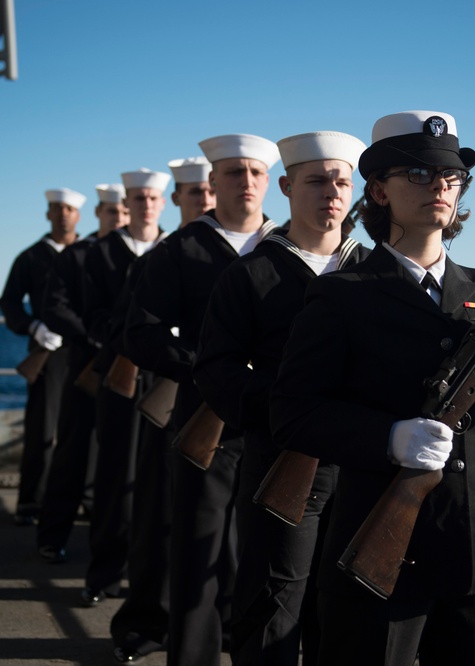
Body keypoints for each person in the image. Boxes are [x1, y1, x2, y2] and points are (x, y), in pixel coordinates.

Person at [269, 110, 475, 666]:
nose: (440, 188)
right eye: (419, 174)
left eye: (450, 177)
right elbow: (292, 413)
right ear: (378, 190)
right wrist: (388, 437)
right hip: (379, 548)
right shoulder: (342, 296)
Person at [194, 131, 368, 666]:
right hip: (282, 458)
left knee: (344, 611)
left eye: (342, 182)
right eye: (316, 181)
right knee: (273, 607)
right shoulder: (252, 274)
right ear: (288, 187)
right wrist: (289, 408)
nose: (332, 193)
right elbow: (216, 371)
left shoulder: (371, 273)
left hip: (361, 465)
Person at [123, 134, 280, 666]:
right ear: (211, 184)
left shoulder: (286, 247)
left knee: (265, 554)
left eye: (256, 173)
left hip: (272, 422)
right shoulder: (181, 249)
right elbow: (141, 333)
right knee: (197, 550)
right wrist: (210, 369)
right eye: (235, 173)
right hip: (204, 415)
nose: (247, 183)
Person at [109, 155, 215, 663]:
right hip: (170, 393)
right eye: (194, 194)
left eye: (206, 192)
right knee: (156, 512)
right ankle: (146, 619)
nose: (204, 201)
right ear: (179, 199)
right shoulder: (168, 254)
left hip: (229, 407)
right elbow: (129, 326)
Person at [80, 169, 171, 606]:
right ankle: (104, 575)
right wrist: (126, 342)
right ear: (127, 203)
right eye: (138, 198)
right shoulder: (101, 252)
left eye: (153, 197)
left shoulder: (175, 249)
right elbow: (91, 312)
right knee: (115, 476)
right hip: (121, 366)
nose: (146, 205)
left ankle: (151, 579)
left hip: (165, 374)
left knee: (157, 484)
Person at [35, 184, 129, 565]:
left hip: (130, 369)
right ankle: (52, 535)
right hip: (87, 365)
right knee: (73, 451)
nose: (119, 219)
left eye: (124, 213)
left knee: (126, 459)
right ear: (99, 214)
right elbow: (54, 306)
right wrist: (93, 334)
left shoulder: (150, 256)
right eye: (112, 212)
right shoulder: (77, 256)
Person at [0, 187, 83, 526]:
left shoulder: (90, 251)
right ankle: (31, 503)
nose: (63, 214)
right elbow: (9, 302)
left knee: (83, 429)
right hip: (48, 352)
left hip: (83, 350)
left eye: (68, 209)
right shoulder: (31, 257)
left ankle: (85, 498)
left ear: (78, 215)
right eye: (56, 208)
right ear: (47, 214)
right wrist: (33, 328)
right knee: (42, 430)